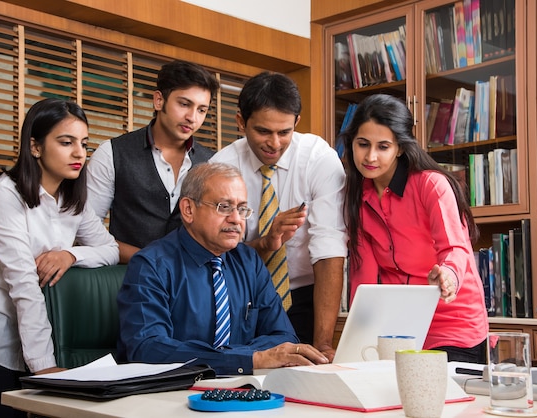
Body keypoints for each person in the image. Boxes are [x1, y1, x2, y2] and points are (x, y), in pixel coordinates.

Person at [0, 98, 119, 418]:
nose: (79, 153)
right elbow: (24, 284)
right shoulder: (4, 194)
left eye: (83, 143)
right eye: (66, 142)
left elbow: (110, 250)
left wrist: (70, 254)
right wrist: (45, 367)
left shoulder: (73, 199)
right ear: (35, 147)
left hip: (25, 348)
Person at [117, 162, 329, 375]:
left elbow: (284, 336)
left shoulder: (249, 262)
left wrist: (236, 359)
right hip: (171, 393)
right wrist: (246, 358)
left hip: (244, 387)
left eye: (242, 209)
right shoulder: (151, 266)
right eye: (224, 207)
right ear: (188, 210)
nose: (236, 219)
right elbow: (148, 348)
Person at [341, 94, 489, 363]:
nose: (370, 156)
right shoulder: (357, 197)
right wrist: (356, 338)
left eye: (383, 146)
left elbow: (455, 248)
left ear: (399, 147)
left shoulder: (431, 185)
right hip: (400, 328)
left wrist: (447, 276)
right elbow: (363, 276)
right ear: (351, 143)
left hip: (452, 324)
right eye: (363, 144)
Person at [210, 72, 347, 361]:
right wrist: (265, 242)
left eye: (284, 132)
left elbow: (329, 247)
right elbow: (217, 255)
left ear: (296, 123)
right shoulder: (220, 168)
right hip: (243, 297)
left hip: (307, 294)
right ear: (240, 121)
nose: (274, 143)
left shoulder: (317, 158)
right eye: (263, 131)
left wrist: (323, 342)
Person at [87, 60, 220, 263]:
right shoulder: (112, 153)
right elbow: (86, 230)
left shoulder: (212, 163)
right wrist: (148, 259)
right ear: (159, 101)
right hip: (129, 280)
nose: (192, 117)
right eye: (184, 104)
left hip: (191, 283)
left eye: (202, 110)